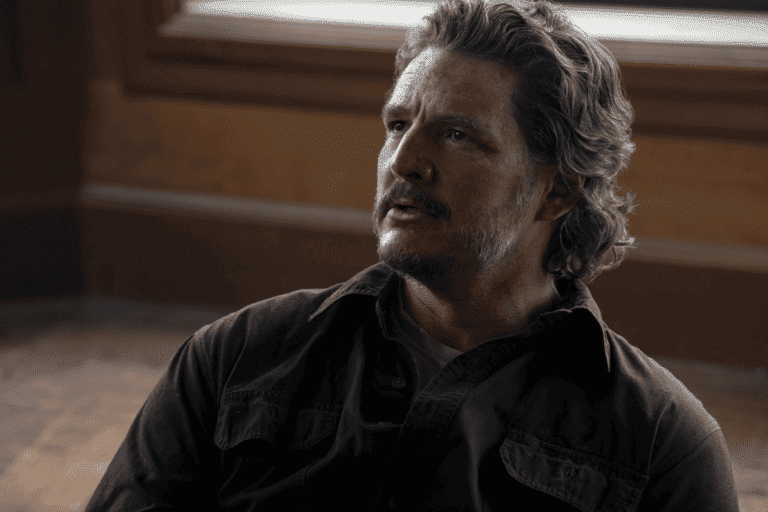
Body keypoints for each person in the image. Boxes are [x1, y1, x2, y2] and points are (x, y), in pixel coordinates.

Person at [84, 0, 741, 510]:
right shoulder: (233, 360)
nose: (404, 161)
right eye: (397, 125)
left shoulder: (661, 446)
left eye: (456, 135)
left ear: (559, 189)